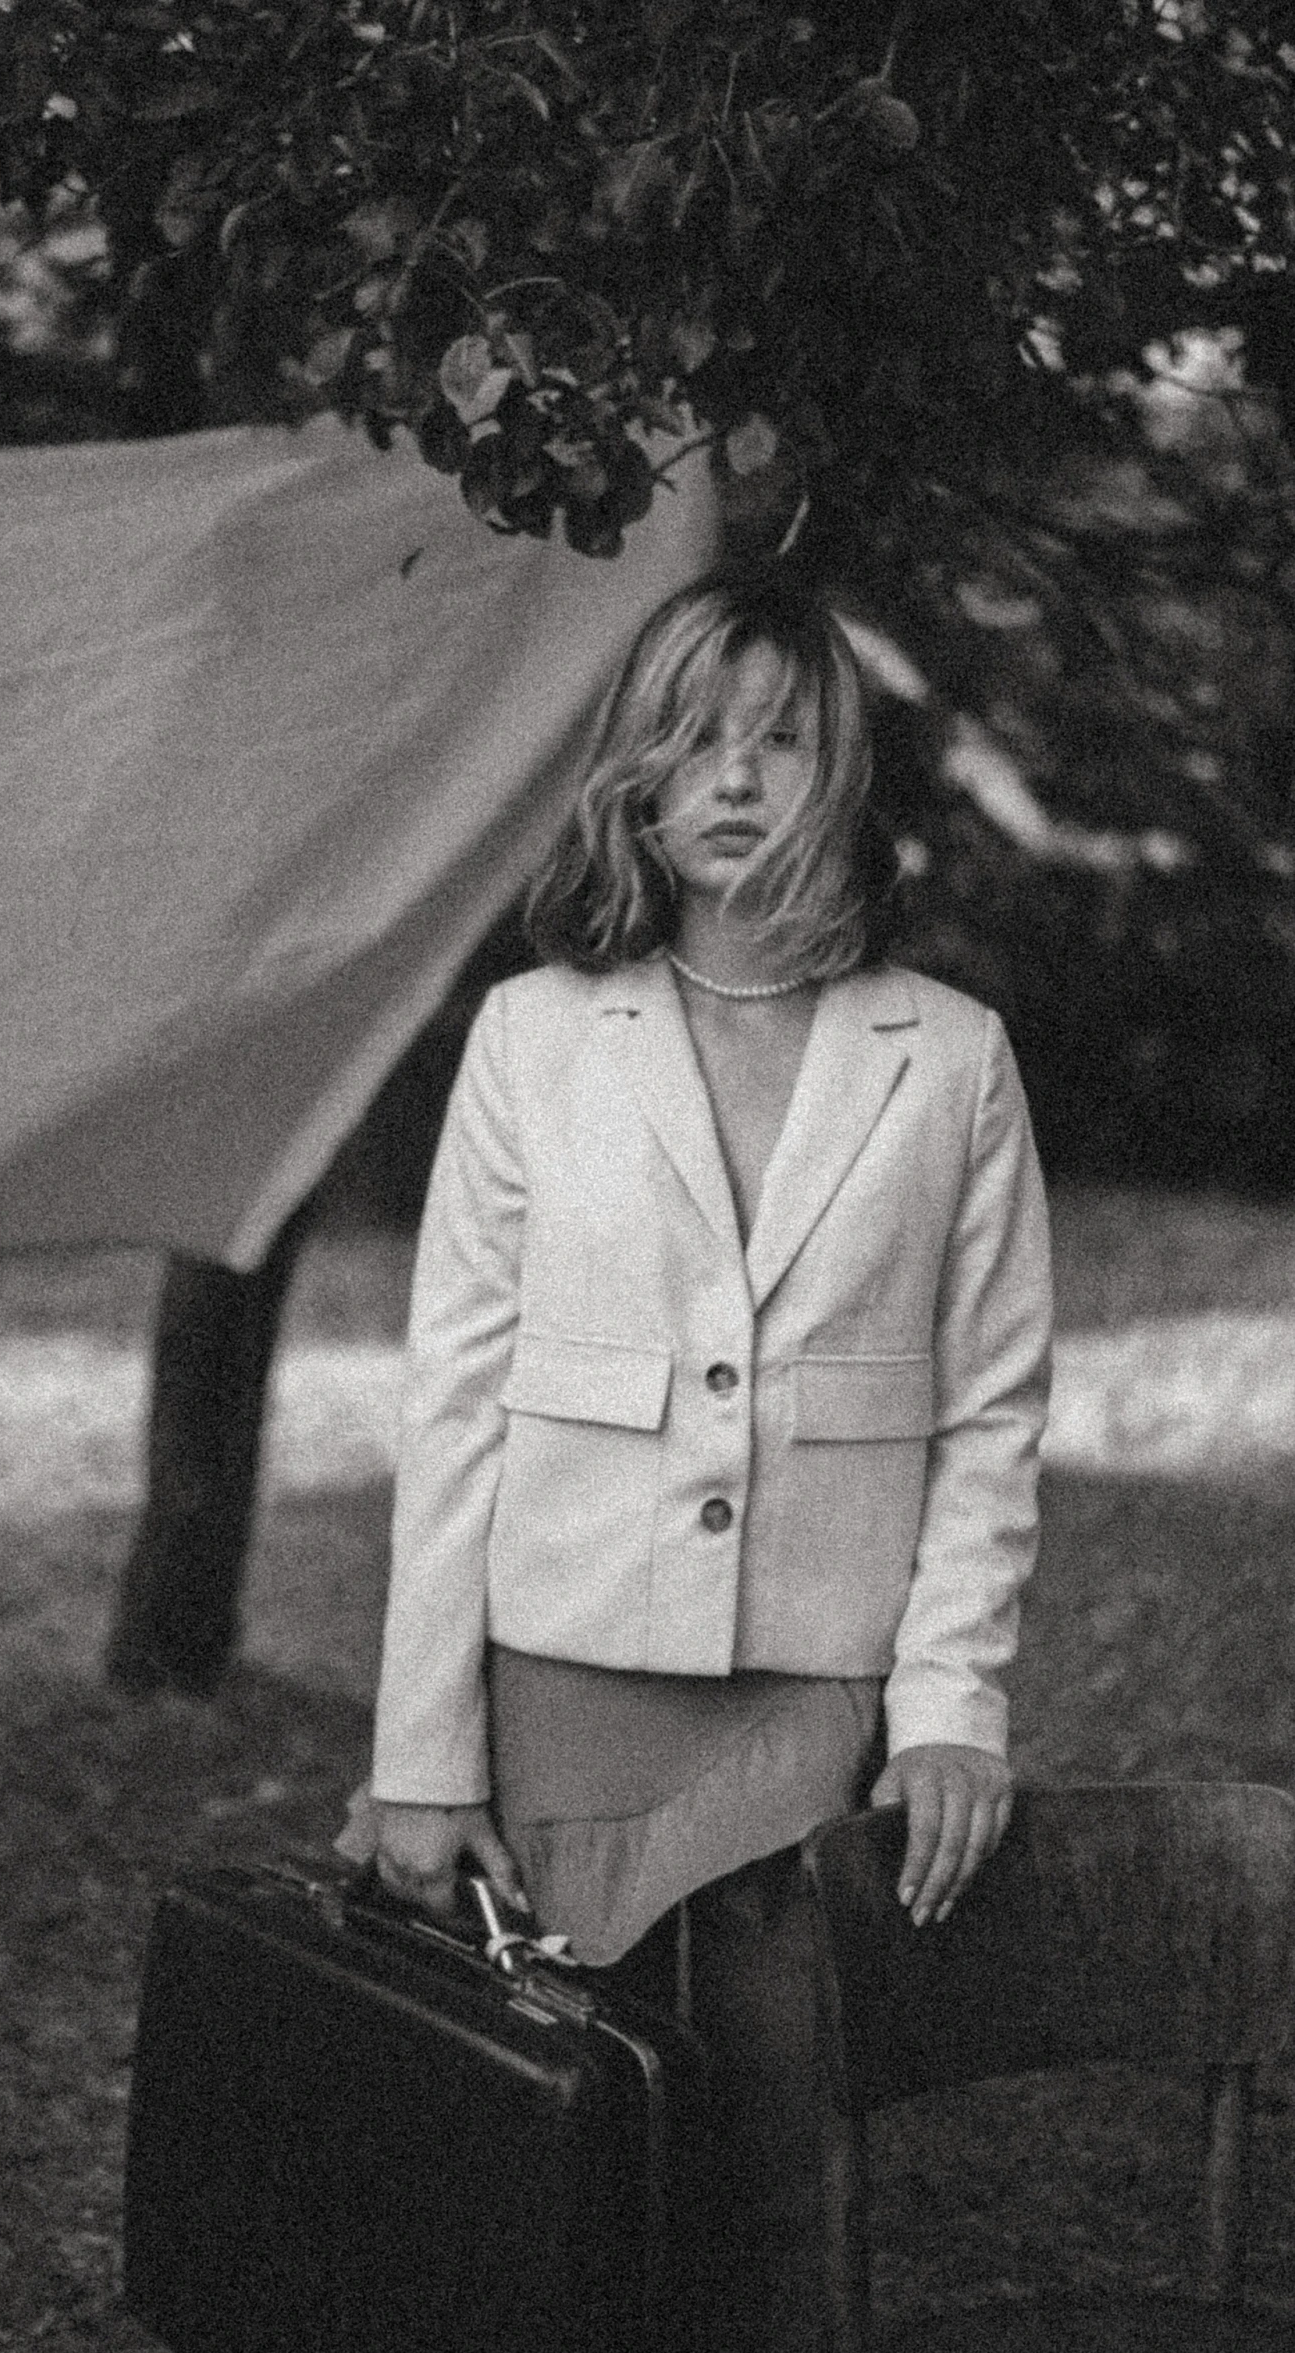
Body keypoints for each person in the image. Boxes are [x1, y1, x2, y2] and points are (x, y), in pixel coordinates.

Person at [349, 571, 1052, 2350]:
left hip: (806, 1710)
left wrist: (953, 1702)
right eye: (693, 742)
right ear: (638, 786)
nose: (733, 779)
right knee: (540, 2166)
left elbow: (989, 1411)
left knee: (766, 2172)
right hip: (558, 1689)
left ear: (842, 778)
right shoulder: (532, 1038)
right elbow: (455, 1400)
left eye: (781, 739)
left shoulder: (951, 1060)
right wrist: (421, 1760)